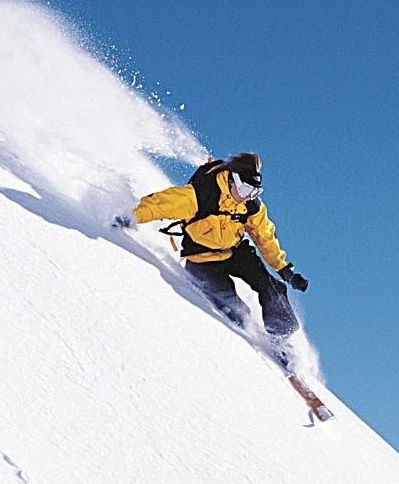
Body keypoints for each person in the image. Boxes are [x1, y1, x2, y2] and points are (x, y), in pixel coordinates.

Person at [112, 153, 308, 358]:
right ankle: (245, 328)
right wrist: (130, 216)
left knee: (272, 287)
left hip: (235, 252)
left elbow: (264, 236)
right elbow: (161, 204)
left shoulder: (250, 205)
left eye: (254, 191)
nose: (248, 195)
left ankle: (280, 339)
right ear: (232, 180)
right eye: (245, 189)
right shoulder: (201, 195)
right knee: (233, 310)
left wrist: (284, 270)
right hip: (202, 261)